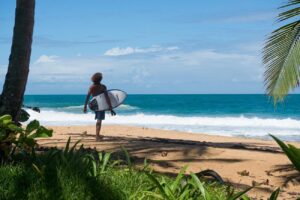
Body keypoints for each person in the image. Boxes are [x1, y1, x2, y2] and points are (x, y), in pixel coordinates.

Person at [83, 72, 116, 141]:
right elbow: (107, 98)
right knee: (99, 120)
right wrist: (110, 108)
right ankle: (97, 136)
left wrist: (85, 106)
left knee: (99, 119)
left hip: (94, 104)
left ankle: (97, 135)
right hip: (101, 105)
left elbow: (88, 97)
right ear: (100, 79)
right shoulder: (103, 87)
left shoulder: (91, 87)